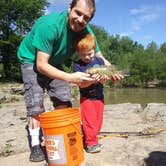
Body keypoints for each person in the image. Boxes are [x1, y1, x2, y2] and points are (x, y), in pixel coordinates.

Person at [17, 0, 122, 162]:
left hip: (54, 61)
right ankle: (36, 144)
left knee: (64, 99)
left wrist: (113, 72)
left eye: (86, 17)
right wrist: (70, 77)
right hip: (31, 59)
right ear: (69, 8)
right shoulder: (49, 25)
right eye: (78, 13)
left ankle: (62, 133)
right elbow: (41, 65)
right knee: (35, 104)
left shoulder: (86, 31)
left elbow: (101, 58)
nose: (80, 20)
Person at [73, 33, 123, 153]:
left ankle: (89, 136)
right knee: (89, 121)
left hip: (99, 97)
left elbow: (105, 78)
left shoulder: (100, 60)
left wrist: (105, 79)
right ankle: (91, 144)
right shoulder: (77, 65)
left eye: (89, 53)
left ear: (94, 50)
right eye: (83, 54)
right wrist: (93, 80)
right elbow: (81, 84)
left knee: (97, 121)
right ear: (78, 53)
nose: (87, 57)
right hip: (86, 98)